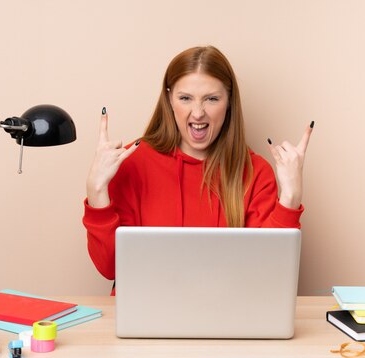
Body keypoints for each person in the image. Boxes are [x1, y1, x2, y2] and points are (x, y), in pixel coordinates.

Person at [82, 46, 313, 294]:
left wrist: (290, 198)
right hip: (146, 317)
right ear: (169, 99)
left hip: (227, 317)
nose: (198, 112)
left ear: (229, 102)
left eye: (212, 99)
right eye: (185, 98)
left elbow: (270, 273)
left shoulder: (256, 172)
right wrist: (96, 191)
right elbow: (110, 267)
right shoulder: (132, 161)